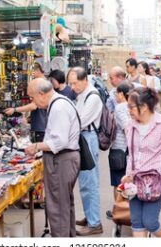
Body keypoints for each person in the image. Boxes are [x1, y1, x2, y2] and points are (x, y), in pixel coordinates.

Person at [24, 78, 80, 237]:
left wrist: (36, 146)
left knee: (57, 207)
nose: (32, 101)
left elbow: (59, 141)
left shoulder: (58, 107)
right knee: (64, 204)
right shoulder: (60, 103)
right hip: (64, 159)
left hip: (61, 160)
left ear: (41, 94)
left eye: (32, 97)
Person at [121, 87, 161, 238]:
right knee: (136, 222)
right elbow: (132, 153)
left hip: (155, 182)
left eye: (131, 107)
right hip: (133, 181)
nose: (129, 110)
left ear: (144, 107)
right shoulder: (130, 126)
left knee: (150, 222)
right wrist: (128, 175)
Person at [67, 67, 103, 236]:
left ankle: (95, 223)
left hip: (88, 138)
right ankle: (90, 217)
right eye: (70, 83)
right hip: (83, 138)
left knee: (90, 183)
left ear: (84, 80)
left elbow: (79, 121)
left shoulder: (92, 96)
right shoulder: (82, 94)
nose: (72, 87)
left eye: (75, 83)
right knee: (85, 183)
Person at [106, 82, 133, 219]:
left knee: (118, 182)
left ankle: (118, 211)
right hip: (128, 150)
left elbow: (127, 127)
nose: (115, 96)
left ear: (122, 94)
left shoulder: (121, 107)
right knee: (125, 182)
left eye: (117, 93)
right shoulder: (133, 107)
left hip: (120, 150)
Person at [5, 62, 47, 142]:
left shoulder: (41, 84)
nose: (31, 75)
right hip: (41, 125)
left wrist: (14, 110)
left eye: (32, 72)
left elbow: (34, 106)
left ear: (37, 70)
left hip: (40, 127)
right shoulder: (44, 83)